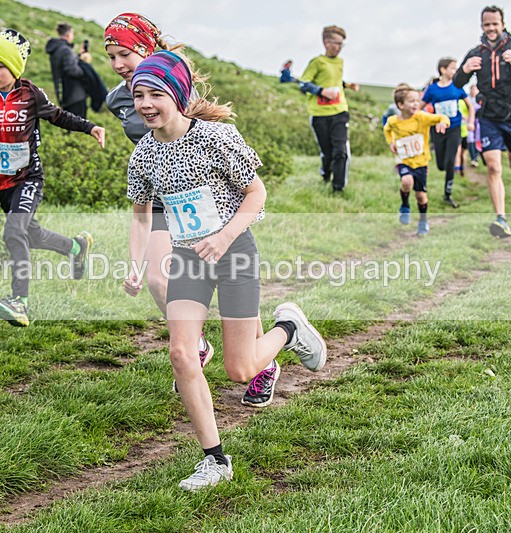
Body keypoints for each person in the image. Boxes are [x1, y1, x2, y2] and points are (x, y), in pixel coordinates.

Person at [125, 51, 327, 491]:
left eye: (155, 93)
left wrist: (223, 237)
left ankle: (289, 328)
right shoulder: (143, 154)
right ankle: (215, 461)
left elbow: (256, 193)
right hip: (188, 258)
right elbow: (141, 217)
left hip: (234, 253)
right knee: (180, 353)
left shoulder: (216, 138)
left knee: (239, 369)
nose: (145, 103)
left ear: (177, 95)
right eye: (138, 95)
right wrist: (137, 265)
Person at [0, 29, 105, 327]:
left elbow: (58, 116)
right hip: (1, 183)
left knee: (13, 233)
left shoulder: (30, 94)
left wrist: (90, 127)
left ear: (14, 68)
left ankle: (19, 302)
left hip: (28, 178)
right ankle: (76, 247)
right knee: (31, 235)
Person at [104, 12, 216, 395]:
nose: (118, 64)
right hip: (157, 193)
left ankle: (262, 360)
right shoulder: (116, 99)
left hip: (198, 195)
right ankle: (194, 345)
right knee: (155, 277)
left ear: (146, 47)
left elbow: (205, 134)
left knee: (231, 282)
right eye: (111, 56)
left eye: (125, 53)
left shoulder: (176, 80)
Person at [453, 5, 511, 238]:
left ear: (503, 24)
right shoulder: (476, 53)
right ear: (482, 26)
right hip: (488, 116)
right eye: (487, 24)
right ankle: (501, 219)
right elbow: (457, 83)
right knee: (493, 166)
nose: (491, 28)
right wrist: (464, 70)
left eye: (495, 24)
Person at [299, 25, 360, 193]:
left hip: (340, 111)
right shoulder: (317, 62)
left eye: (342, 44)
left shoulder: (340, 62)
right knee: (327, 152)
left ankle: (338, 189)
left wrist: (347, 85)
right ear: (326, 42)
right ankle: (325, 174)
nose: (339, 47)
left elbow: (334, 82)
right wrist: (321, 91)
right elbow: (303, 84)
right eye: (336, 43)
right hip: (319, 114)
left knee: (340, 151)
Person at [384, 85, 451, 236]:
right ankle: (405, 205)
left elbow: (442, 117)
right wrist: (391, 142)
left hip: (421, 162)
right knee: (407, 181)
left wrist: (442, 123)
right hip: (403, 160)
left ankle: (423, 220)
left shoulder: (422, 117)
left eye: (417, 100)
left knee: (421, 196)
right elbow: (387, 129)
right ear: (400, 105)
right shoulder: (393, 121)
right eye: (411, 101)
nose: (416, 103)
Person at [421, 58, 475, 208]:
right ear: (443, 70)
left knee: (451, 160)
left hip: (454, 128)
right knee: (441, 165)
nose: (455, 71)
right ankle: (446, 173)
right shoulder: (432, 90)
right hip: (438, 130)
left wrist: (470, 122)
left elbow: (470, 106)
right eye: (452, 68)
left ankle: (447, 194)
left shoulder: (457, 87)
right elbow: (420, 107)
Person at [45, 23, 89, 118]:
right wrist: (86, 69)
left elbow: (65, 65)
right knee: (78, 123)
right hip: (75, 94)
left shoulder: (56, 48)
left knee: (68, 121)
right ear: (68, 35)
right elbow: (72, 70)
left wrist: (78, 56)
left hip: (63, 91)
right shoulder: (66, 50)